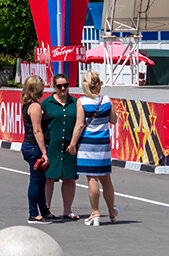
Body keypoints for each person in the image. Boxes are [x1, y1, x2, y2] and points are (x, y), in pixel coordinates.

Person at [67, 71, 118, 226]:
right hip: (103, 143)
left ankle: (95, 212)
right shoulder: (107, 100)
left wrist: (73, 144)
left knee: (92, 178)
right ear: (98, 85)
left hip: (87, 143)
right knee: (106, 178)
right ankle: (111, 211)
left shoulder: (82, 101)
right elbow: (114, 120)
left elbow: (80, 124)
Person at [42, 73, 79, 219]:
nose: (63, 88)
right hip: (52, 146)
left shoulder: (75, 103)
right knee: (49, 178)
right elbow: (40, 124)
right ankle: (46, 209)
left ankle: (67, 210)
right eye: (59, 86)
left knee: (69, 178)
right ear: (54, 87)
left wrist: (74, 143)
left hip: (70, 147)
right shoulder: (46, 103)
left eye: (65, 85)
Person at [20, 75, 53, 223]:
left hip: (30, 146)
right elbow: (37, 130)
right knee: (35, 179)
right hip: (34, 147)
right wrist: (44, 152)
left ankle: (44, 210)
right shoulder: (34, 107)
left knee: (41, 179)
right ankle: (33, 213)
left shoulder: (28, 105)